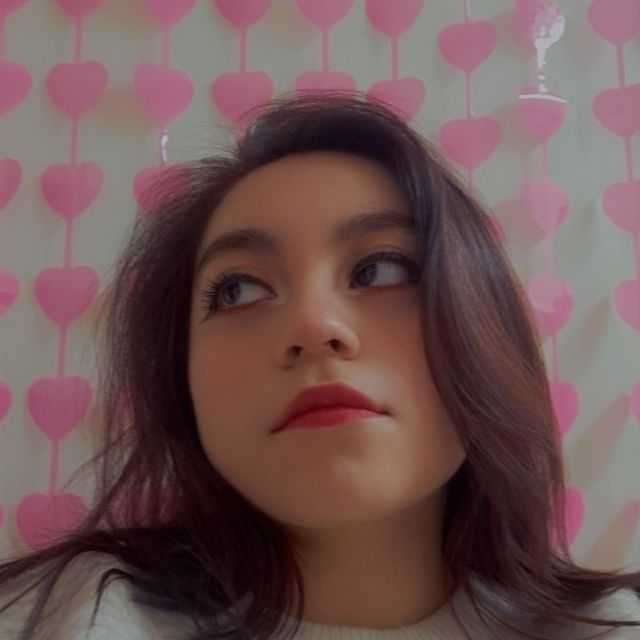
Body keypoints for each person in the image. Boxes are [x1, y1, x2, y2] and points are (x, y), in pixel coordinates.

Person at [0, 91, 639, 640]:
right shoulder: (74, 614)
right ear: (180, 380)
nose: (313, 327)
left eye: (381, 269)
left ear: (485, 329)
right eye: (237, 290)